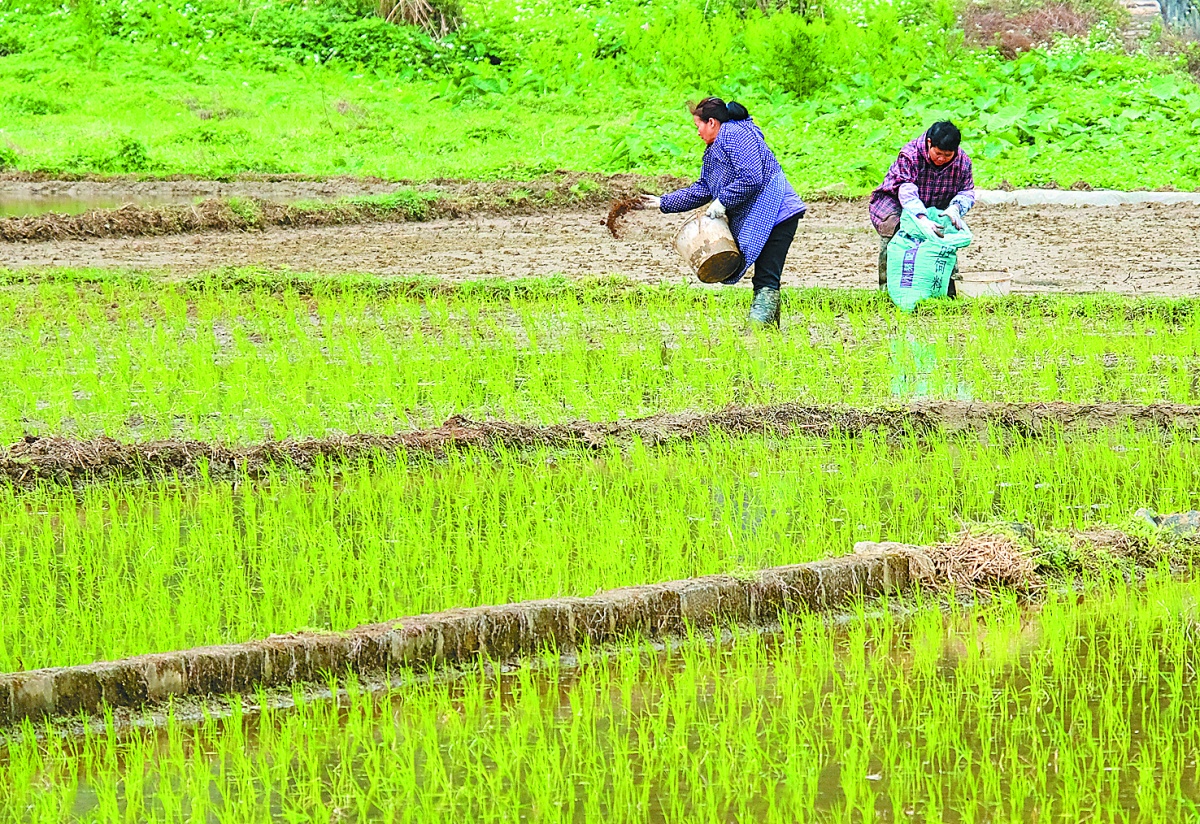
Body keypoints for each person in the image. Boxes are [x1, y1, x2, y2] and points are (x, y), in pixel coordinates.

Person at [638, 98, 806, 328]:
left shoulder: (736, 134)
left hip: (778, 210)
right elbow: (703, 189)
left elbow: (751, 177)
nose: (697, 133)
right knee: (767, 276)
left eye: (698, 126)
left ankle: (757, 330)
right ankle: (768, 330)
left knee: (766, 275)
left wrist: (723, 202)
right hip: (767, 214)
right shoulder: (714, 150)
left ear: (712, 122)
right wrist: (662, 202)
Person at [869, 121, 975, 292]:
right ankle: (889, 289)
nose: (941, 159)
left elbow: (967, 191)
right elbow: (906, 189)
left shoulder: (963, 162)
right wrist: (921, 218)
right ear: (929, 143)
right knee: (895, 236)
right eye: (938, 153)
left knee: (944, 236)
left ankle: (947, 289)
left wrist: (956, 207)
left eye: (947, 155)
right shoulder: (910, 155)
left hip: (937, 203)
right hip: (895, 201)